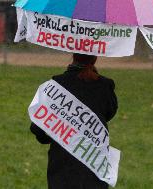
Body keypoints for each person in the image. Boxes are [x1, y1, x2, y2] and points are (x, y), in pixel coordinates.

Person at [30, 53, 118, 189]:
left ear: (73, 55)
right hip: (95, 163)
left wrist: (61, 133)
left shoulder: (57, 85)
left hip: (63, 166)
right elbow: (109, 112)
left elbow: (38, 130)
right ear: (95, 58)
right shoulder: (105, 86)